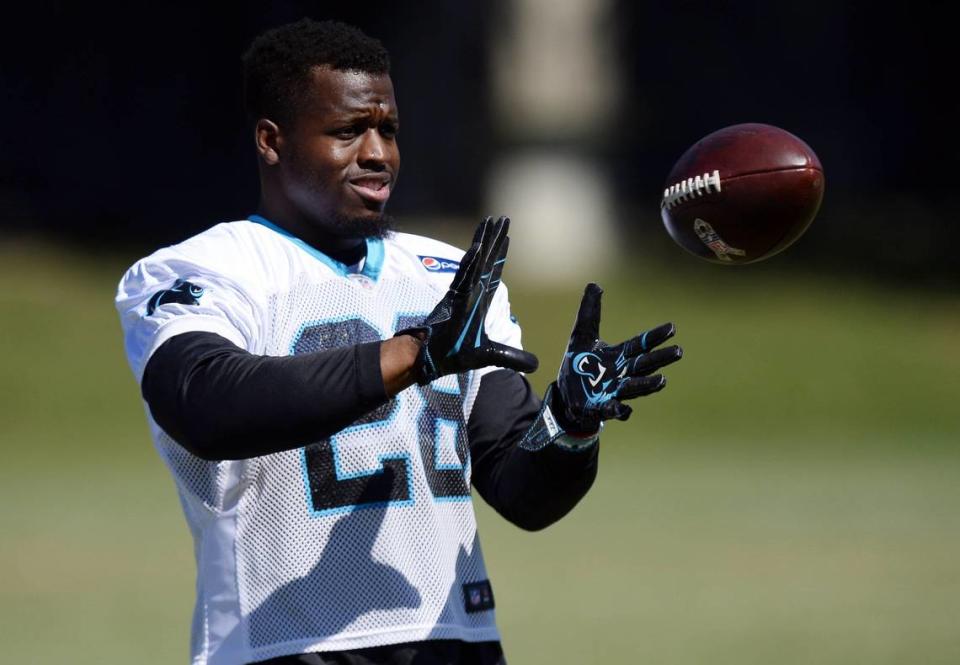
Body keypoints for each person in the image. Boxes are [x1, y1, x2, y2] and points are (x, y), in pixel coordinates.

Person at [115, 19, 682, 665]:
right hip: (285, 647)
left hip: (456, 643)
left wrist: (572, 425)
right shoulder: (206, 268)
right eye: (348, 131)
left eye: (388, 130)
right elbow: (205, 405)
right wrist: (413, 354)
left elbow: (524, 494)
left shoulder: (448, 277)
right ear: (272, 141)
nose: (379, 154)